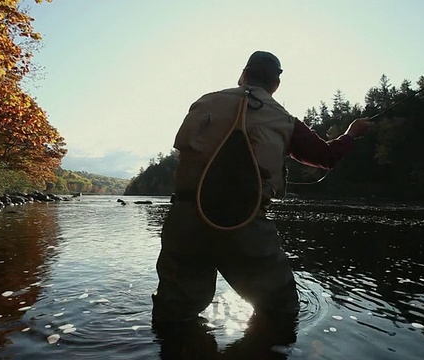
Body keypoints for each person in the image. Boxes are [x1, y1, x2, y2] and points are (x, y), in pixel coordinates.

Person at [152, 51, 371, 326]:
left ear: (243, 74)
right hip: (244, 224)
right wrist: (351, 134)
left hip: (185, 218)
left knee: (174, 313)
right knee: (281, 310)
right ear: (276, 84)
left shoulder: (206, 101)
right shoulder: (284, 120)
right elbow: (325, 157)